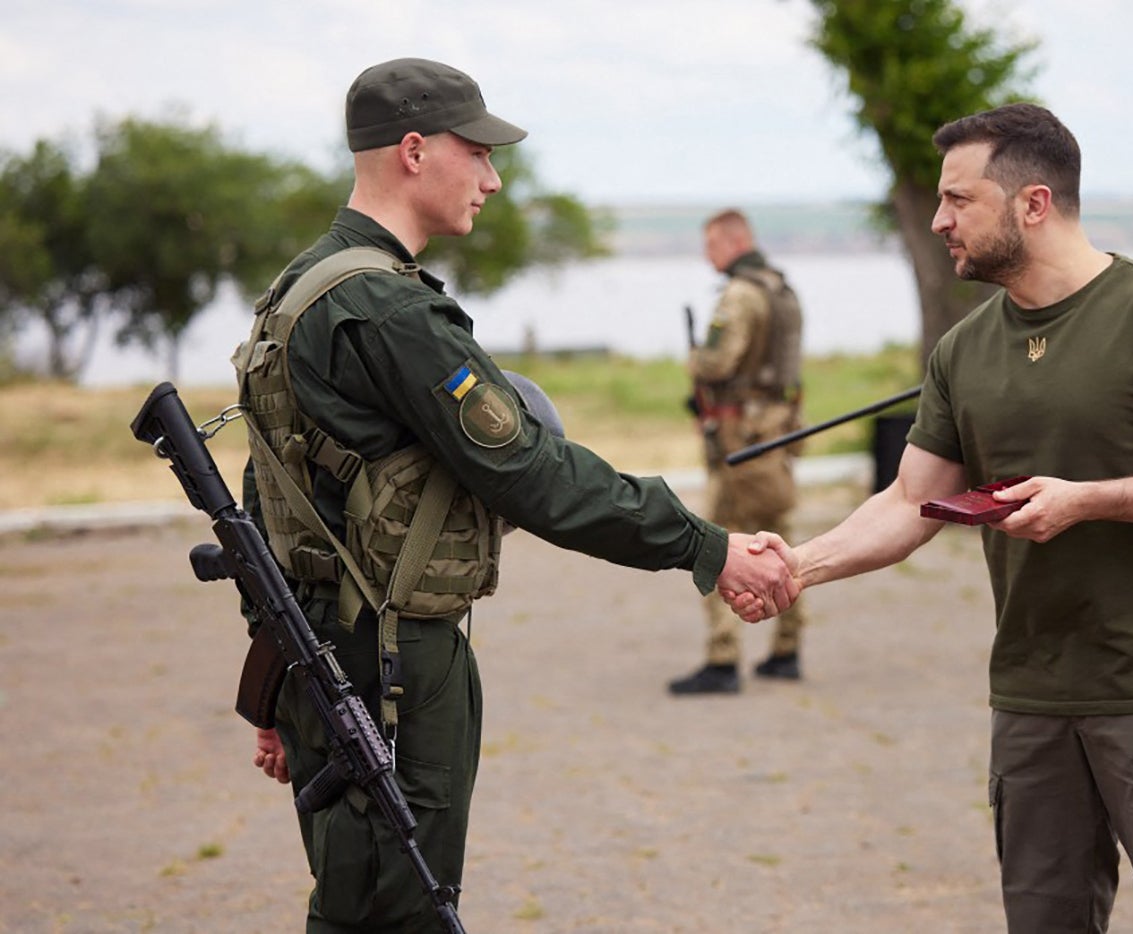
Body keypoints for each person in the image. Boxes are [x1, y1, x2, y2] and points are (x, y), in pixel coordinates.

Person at [239, 57, 795, 932]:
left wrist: (273, 690)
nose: (494, 179)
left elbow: (266, 507)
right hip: (389, 665)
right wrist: (707, 546)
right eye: (479, 154)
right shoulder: (387, 310)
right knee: (399, 910)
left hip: (321, 654)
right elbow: (533, 473)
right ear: (414, 151)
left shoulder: (297, 291)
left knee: (359, 903)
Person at [729, 103, 1133, 932]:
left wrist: (1086, 500)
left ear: (1034, 204)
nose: (939, 219)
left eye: (959, 200)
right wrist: (799, 566)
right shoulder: (964, 349)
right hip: (1032, 699)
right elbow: (911, 500)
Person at [668, 209, 808, 695]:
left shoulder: (741, 294)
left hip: (740, 443)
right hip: (778, 435)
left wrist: (694, 360)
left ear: (734, 241)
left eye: (712, 245)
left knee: (716, 542)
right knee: (784, 539)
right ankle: (787, 649)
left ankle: (722, 658)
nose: (709, 255)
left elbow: (719, 359)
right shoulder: (781, 290)